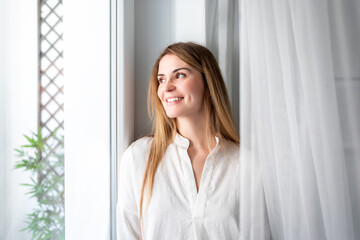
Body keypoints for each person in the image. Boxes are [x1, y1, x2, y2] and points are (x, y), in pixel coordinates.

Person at [117, 42, 245, 239]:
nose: (166, 87)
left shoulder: (246, 164)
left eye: (179, 75)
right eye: (161, 79)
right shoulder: (138, 157)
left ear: (208, 82)